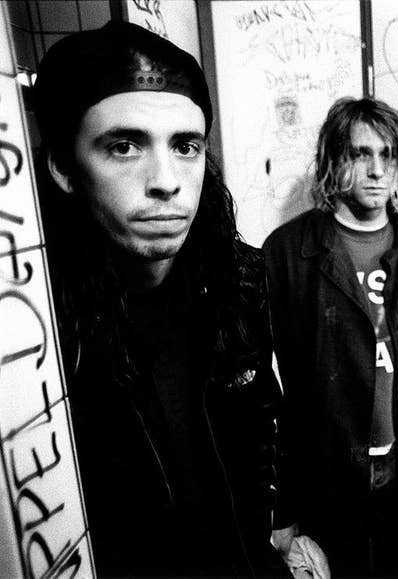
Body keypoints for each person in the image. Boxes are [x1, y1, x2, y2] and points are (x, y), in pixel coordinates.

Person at [33, 21, 284, 577]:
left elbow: (262, 410)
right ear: (63, 168)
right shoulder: (37, 323)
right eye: (123, 146)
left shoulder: (240, 278)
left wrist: (280, 528)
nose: (166, 181)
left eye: (186, 146)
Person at [264, 97, 398, 578]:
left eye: (388, 154)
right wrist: (282, 502)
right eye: (360, 154)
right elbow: (270, 389)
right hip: (328, 471)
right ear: (335, 161)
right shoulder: (290, 251)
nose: (377, 170)